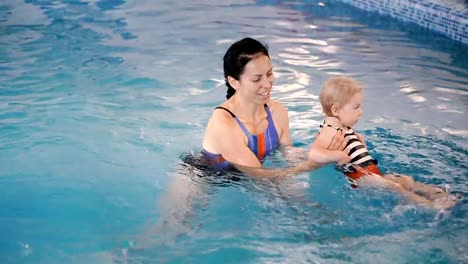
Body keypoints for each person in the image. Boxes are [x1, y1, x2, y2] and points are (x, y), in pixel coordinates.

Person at [201, 37, 348, 177]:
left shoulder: (276, 112)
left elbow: (288, 153)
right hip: (205, 177)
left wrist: (325, 151)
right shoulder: (224, 124)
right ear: (234, 82)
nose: (267, 84)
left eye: (269, 73)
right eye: (256, 79)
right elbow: (261, 176)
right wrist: (314, 164)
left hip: (245, 179)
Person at [308, 76, 460, 209]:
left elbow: (354, 153)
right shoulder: (330, 129)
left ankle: (438, 195)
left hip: (368, 171)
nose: (361, 112)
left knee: (404, 180)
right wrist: (338, 156)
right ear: (336, 110)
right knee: (394, 187)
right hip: (359, 177)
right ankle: (431, 207)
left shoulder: (342, 127)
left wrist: (360, 145)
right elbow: (315, 153)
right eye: (356, 107)